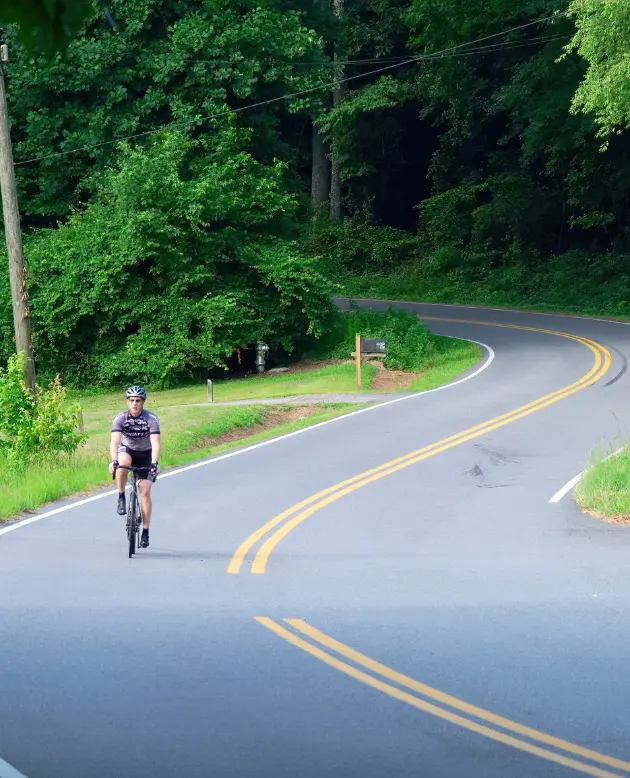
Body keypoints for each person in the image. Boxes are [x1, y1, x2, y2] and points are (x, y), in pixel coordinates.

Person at [108, 386, 161, 548]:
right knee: (122, 464)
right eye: (132, 401)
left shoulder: (151, 418)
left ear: (143, 402)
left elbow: (155, 443)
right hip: (128, 450)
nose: (135, 404)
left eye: (138, 401)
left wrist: (154, 463)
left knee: (144, 491)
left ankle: (145, 531)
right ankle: (121, 496)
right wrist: (114, 461)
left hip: (146, 454)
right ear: (127, 402)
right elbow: (115, 442)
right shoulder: (121, 418)